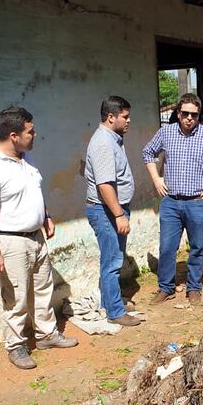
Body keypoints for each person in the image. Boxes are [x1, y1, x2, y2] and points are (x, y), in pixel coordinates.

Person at [0, 106, 78, 369]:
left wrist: (46, 215)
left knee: (43, 288)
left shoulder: (24, 157)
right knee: (16, 297)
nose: (35, 135)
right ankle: (16, 345)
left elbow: (34, 189)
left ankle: (47, 335)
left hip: (35, 237)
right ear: (14, 135)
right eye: (30, 132)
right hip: (10, 241)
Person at [143, 93, 203, 305]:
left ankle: (194, 287)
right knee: (167, 247)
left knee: (197, 247)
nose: (189, 118)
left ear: (198, 115)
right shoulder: (166, 132)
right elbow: (148, 153)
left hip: (198, 203)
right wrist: (156, 179)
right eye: (185, 113)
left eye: (194, 114)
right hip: (171, 203)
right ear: (178, 113)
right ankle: (166, 287)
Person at [85, 95, 141, 328]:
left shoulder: (113, 139)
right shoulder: (103, 143)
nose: (129, 121)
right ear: (111, 117)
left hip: (111, 210)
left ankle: (112, 302)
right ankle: (115, 311)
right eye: (125, 117)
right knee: (112, 262)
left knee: (114, 259)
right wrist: (119, 214)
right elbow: (104, 185)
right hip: (105, 211)